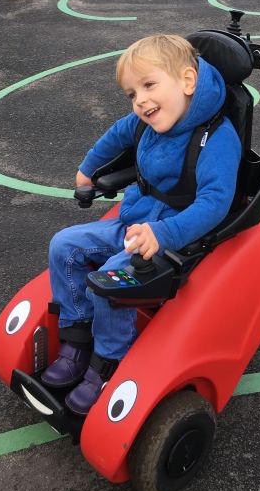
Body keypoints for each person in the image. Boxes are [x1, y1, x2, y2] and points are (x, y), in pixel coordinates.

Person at [41, 34, 242, 415]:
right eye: (132, 93)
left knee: (112, 280)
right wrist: (87, 170)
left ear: (186, 81)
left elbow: (215, 205)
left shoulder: (216, 139)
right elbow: (115, 136)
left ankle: (108, 362)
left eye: (149, 85)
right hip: (136, 220)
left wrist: (164, 233)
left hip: (176, 235)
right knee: (63, 244)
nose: (141, 101)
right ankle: (77, 336)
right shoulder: (146, 122)